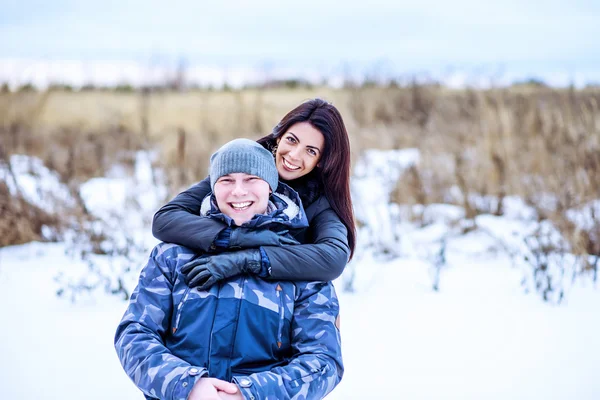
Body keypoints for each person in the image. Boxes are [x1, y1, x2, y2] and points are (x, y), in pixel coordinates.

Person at [115, 139, 343, 400]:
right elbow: (134, 334)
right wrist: (189, 386)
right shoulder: (173, 255)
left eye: (251, 179)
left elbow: (323, 362)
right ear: (212, 188)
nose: (238, 191)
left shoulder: (300, 265)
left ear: (270, 186)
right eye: (226, 180)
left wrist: (247, 394)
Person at [152, 98, 355, 289]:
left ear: (321, 160)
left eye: (311, 151)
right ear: (279, 136)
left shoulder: (320, 202)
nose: (294, 155)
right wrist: (234, 237)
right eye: (292, 140)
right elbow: (165, 219)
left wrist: (250, 259)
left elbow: (333, 257)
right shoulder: (241, 167)